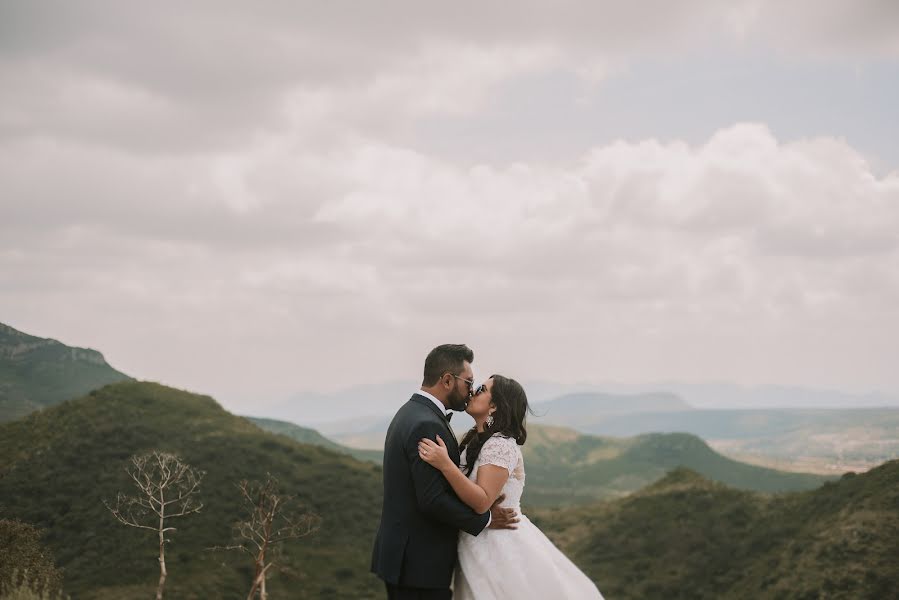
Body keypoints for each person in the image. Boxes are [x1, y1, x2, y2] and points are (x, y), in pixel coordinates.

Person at [418, 375, 605, 599]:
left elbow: (482, 502)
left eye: (480, 390)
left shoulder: (500, 444)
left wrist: (445, 464)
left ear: (495, 405)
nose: (472, 392)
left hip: (500, 546)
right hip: (476, 543)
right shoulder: (477, 441)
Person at [371, 344, 519, 600]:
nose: (471, 390)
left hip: (410, 560)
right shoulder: (426, 423)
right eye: (469, 382)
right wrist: (484, 520)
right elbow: (432, 500)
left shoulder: (414, 412)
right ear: (448, 380)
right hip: (418, 564)